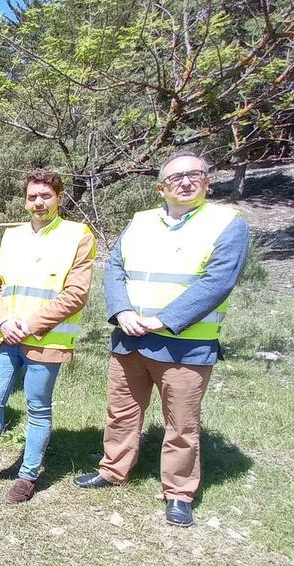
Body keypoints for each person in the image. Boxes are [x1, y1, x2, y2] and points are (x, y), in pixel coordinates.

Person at [73, 150, 250, 527]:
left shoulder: (226, 223)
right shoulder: (140, 221)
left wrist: (163, 320)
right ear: (161, 187)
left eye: (194, 175)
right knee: (121, 412)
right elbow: (115, 268)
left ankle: (179, 492)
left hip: (185, 345)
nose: (185, 182)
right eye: (175, 177)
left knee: (182, 424)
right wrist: (121, 312)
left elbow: (217, 282)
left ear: (207, 180)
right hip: (129, 337)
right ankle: (113, 470)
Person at [0, 169, 95, 502]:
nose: (38, 202)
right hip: (4, 336)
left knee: (37, 407)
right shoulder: (12, 236)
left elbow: (75, 294)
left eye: (45, 196)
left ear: (59, 197)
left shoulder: (78, 235)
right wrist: (0, 320)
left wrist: (28, 325)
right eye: (32, 197)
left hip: (46, 339)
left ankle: (27, 475)